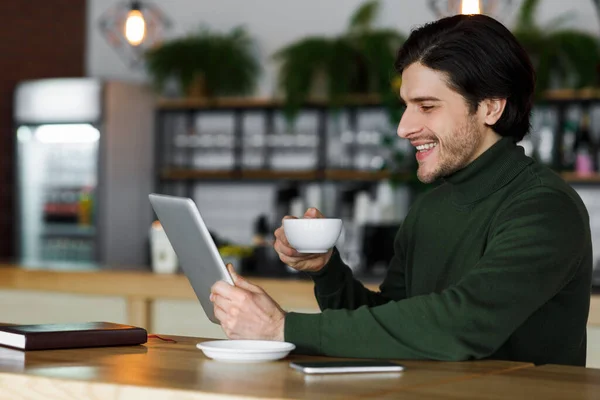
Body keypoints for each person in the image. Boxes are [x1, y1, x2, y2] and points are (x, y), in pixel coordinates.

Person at [210, 14, 593, 366]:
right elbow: (393, 323)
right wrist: (327, 270)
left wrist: (282, 330)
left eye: (426, 106)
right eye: (406, 106)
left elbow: (460, 326)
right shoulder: (432, 206)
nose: (404, 127)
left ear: (490, 108)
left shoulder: (544, 208)